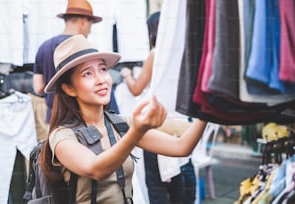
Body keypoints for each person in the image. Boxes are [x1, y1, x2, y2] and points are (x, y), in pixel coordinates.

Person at [39, 34, 207, 203]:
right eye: (88, 74)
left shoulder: (119, 124)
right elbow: (95, 169)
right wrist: (135, 132)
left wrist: (207, 109)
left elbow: (181, 147)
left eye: (103, 69)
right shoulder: (61, 136)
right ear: (69, 89)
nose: (101, 80)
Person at [120, 12, 197, 203]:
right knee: (183, 176)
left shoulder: (156, 53)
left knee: (157, 188)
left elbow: (137, 89)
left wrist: (126, 75)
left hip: (159, 122)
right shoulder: (184, 52)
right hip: (182, 121)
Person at [32, 0, 102, 126]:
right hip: (82, 120)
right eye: (90, 26)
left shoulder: (44, 47)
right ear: (84, 21)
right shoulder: (84, 49)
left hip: (53, 119)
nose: (89, 31)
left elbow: (39, 88)